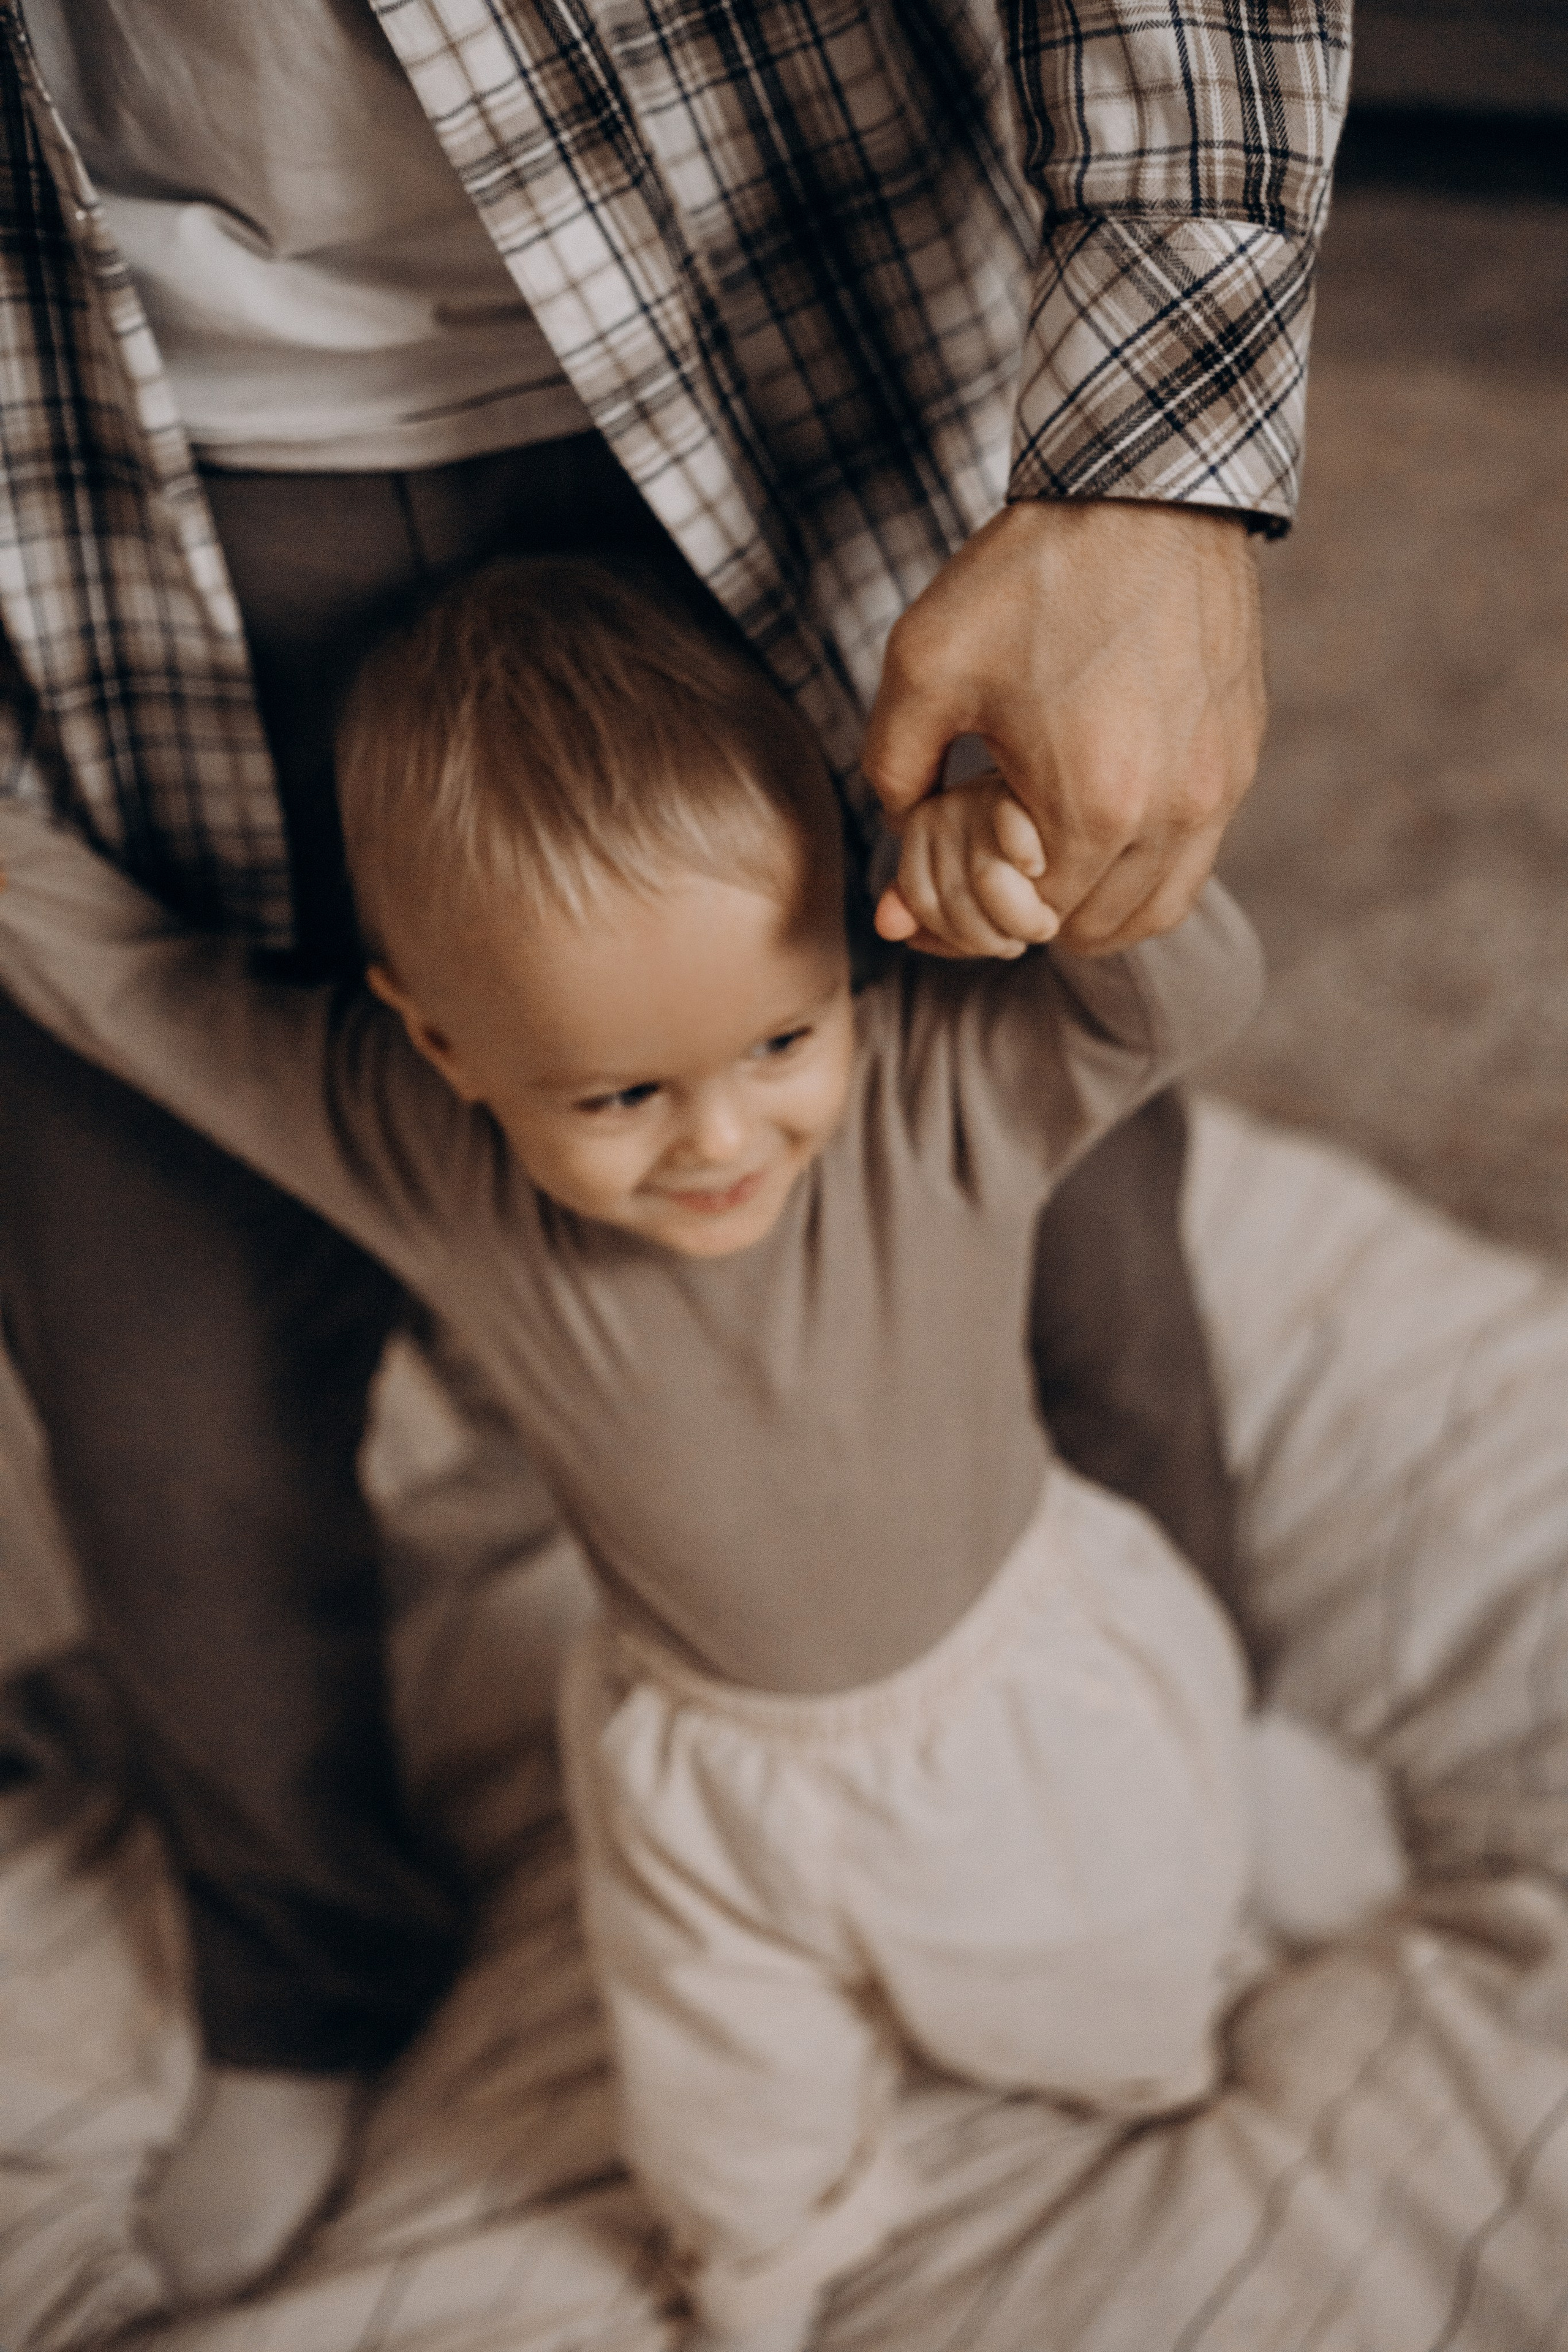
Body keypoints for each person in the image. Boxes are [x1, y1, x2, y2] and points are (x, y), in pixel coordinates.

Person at [0, 0, 1349, 2303]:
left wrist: (1027, 886)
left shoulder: (923, 1086)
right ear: (437, 1046)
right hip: (698, 1771)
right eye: (619, 1094)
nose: (724, 1139)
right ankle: (336, 1996)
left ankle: (1230, 1727)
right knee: (162, 1401)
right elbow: (157, 1014)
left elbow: (1160, 1008)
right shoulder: (417, 1140)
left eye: (779, 1040)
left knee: (1112, 1318)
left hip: (749, 303)